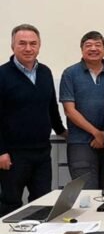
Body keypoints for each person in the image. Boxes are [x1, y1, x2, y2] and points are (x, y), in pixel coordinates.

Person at [0, 24, 67, 216]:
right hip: (13, 155)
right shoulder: (2, 75)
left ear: (39, 46)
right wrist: (1, 151)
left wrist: (62, 131)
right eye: (22, 43)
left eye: (33, 43)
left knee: (42, 203)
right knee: (11, 204)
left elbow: (51, 107)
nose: (28, 48)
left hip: (42, 152)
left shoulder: (45, 72)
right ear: (12, 46)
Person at [59, 31, 104, 190]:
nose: (93, 49)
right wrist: (96, 133)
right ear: (82, 49)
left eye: (98, 45)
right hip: (80, 143)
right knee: (86, 192)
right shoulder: (70, 74)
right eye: (88, 45)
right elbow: (69, 110)